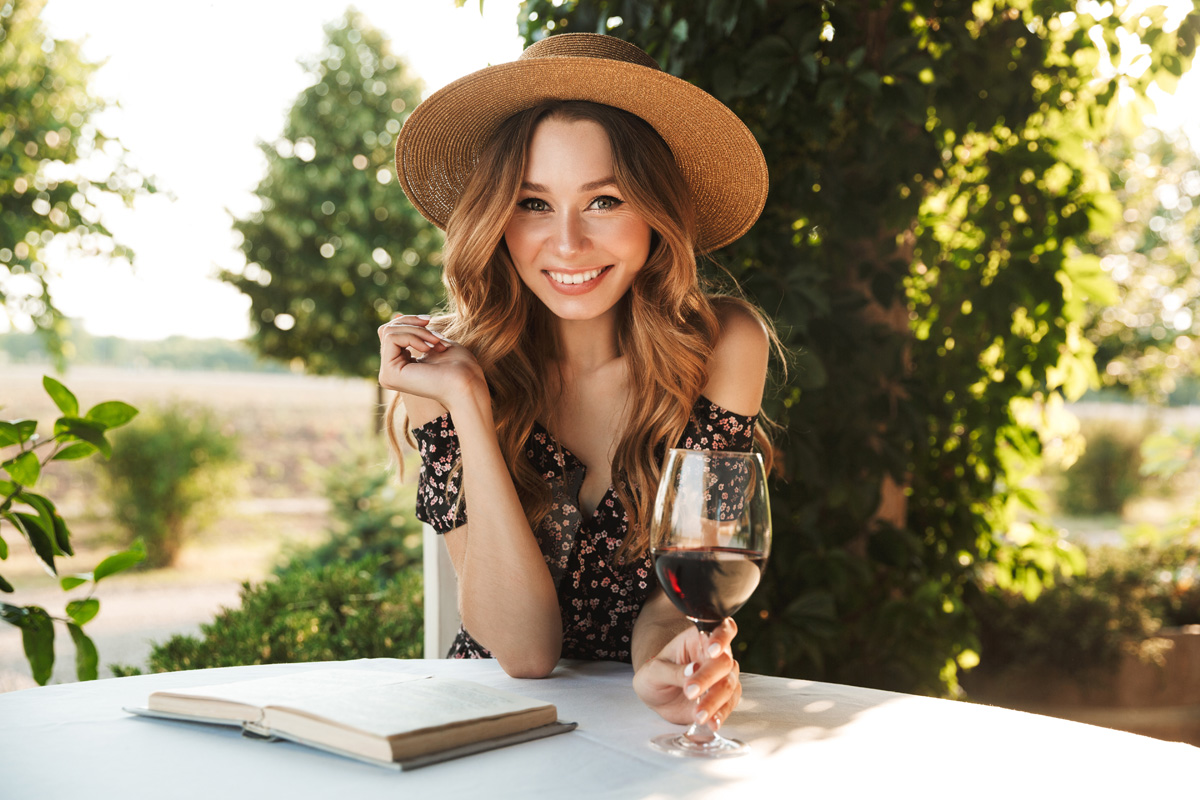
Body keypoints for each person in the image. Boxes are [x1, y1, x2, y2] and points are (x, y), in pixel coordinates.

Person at [378, 33, 776, 733]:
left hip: (635, 728)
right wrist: (469, 403)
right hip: (496, 722)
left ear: (657, 212)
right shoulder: (444, 375)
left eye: (604, 201)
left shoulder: (725, 347)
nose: (565, 244)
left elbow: (687, 581)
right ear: (497, 219)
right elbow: (525, 652)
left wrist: (664, 662)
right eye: (533, 204)